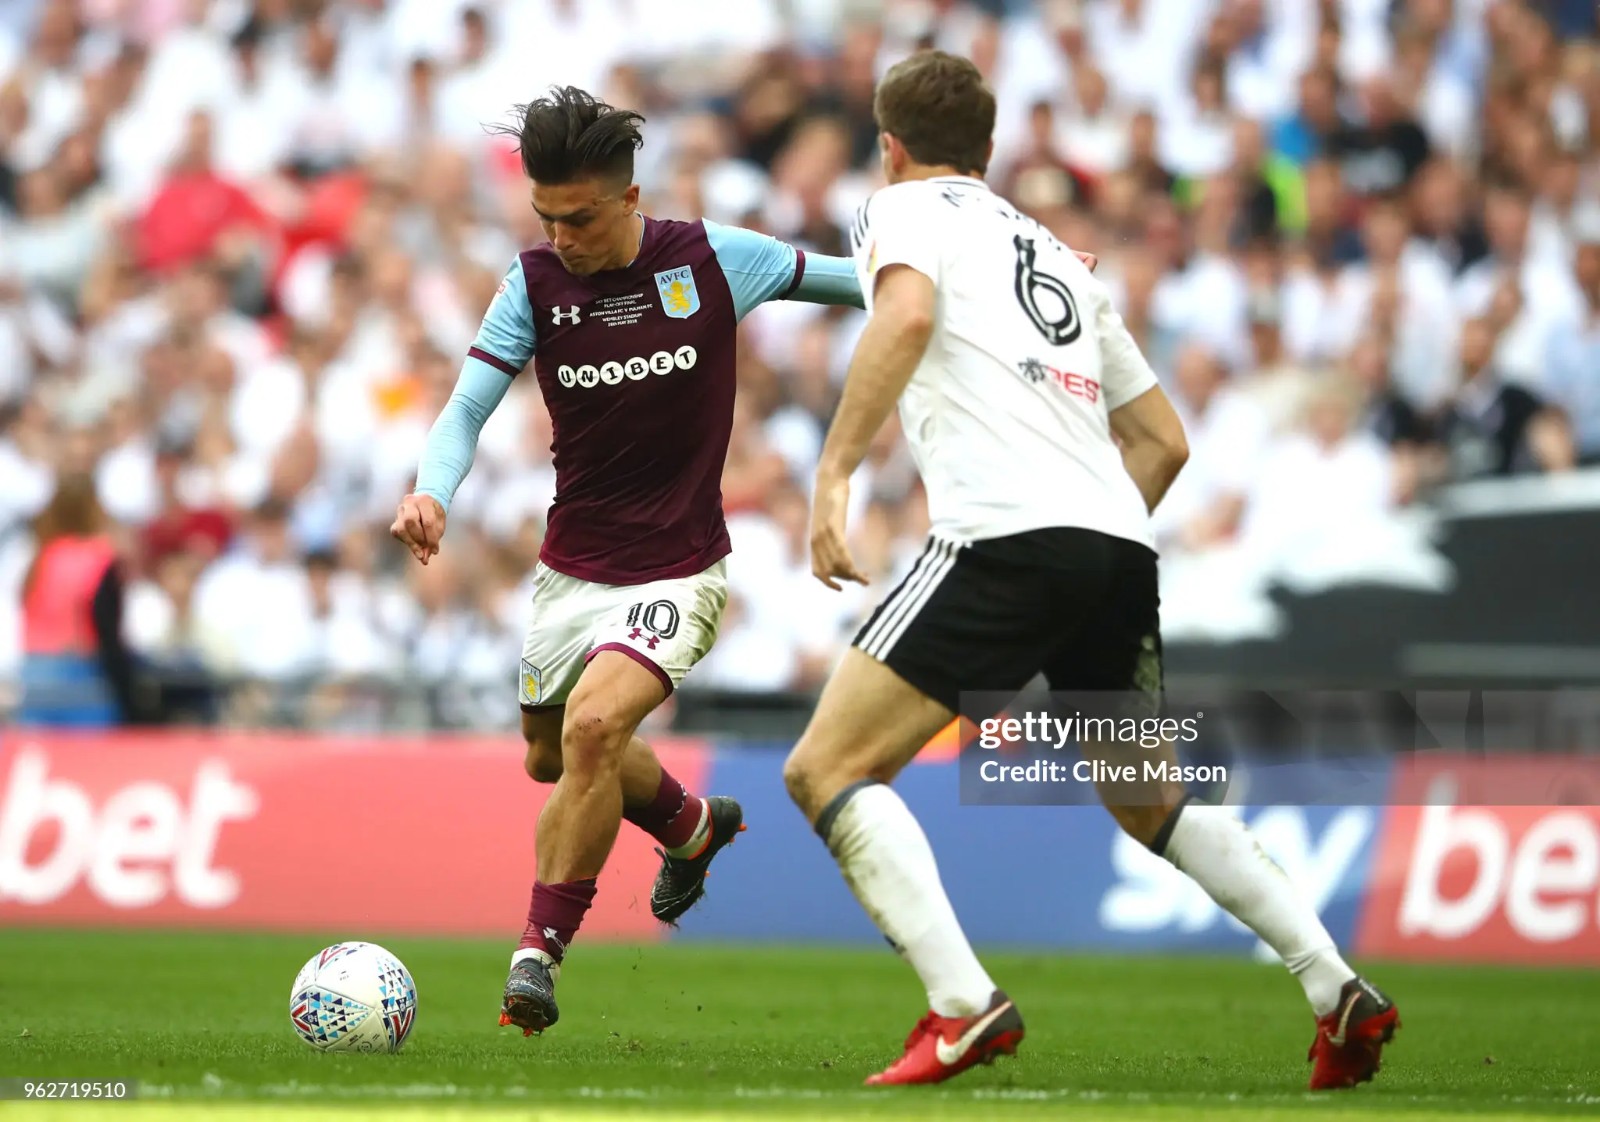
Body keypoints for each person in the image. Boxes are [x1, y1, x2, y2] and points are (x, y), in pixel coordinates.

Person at [782, 51, 1399, 1089]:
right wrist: (1079, 563)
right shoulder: (1058, 256)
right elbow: (1163, 441)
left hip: (1003, 536)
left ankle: (963, 1007)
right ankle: (1336, 987)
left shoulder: (900, 209)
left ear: (890, 148)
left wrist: (834, 472)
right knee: (1152, 802)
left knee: (826, 769)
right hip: (1114, 545)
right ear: (988, 151)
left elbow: (904, 316)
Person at [390, 86, 864, 1037]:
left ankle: (536, 958)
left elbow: (868, 282)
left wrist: (1017, 279)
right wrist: (431, 489)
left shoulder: (713, 260)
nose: (561, 236)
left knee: (595, 727)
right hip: (573, 568)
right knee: (549, 755)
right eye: (546, 217)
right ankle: (692, 826)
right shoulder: (532, 283)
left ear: (630, 196)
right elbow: (468, 405)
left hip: (680, 567)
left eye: (580, 217)